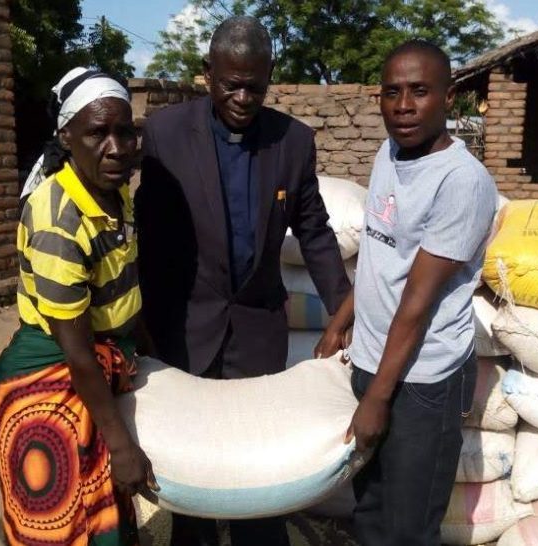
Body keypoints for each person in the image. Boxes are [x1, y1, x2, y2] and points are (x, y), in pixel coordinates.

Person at [135, 15, 351, 546]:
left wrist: (344, 311)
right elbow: (149, 236)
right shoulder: (165, 133)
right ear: (208, 72)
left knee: (260, 470)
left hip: (256, 328)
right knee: (195, 472)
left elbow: (316, 230)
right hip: (185, 326)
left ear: (270, 76)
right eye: (231, 83)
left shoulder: (292, 142)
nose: (243, 96)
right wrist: (136, 324)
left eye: (255, 85)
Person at [317, 41, 497, 545]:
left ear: (449, 98)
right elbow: (380, 252)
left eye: (419, 91)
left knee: (408, 526)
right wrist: (340, 322)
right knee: (370, 508)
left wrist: (377, 398)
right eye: (392, 92)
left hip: (423, 379)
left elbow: (417, 303)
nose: (403, 105)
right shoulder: (389, 151)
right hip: (375, 357)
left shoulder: (462, 182)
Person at [0, 67, 157, 546]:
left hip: (96, 367)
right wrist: (121, 444)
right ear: (66, 137)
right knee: (62, 525)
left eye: (125, 131)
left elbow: (123, 289)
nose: (116, 147)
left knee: (108, 519)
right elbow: (78, 352)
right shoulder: (56, 218)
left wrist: (150, 352)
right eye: (97, 132)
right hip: (52, 383)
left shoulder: (113, 192)